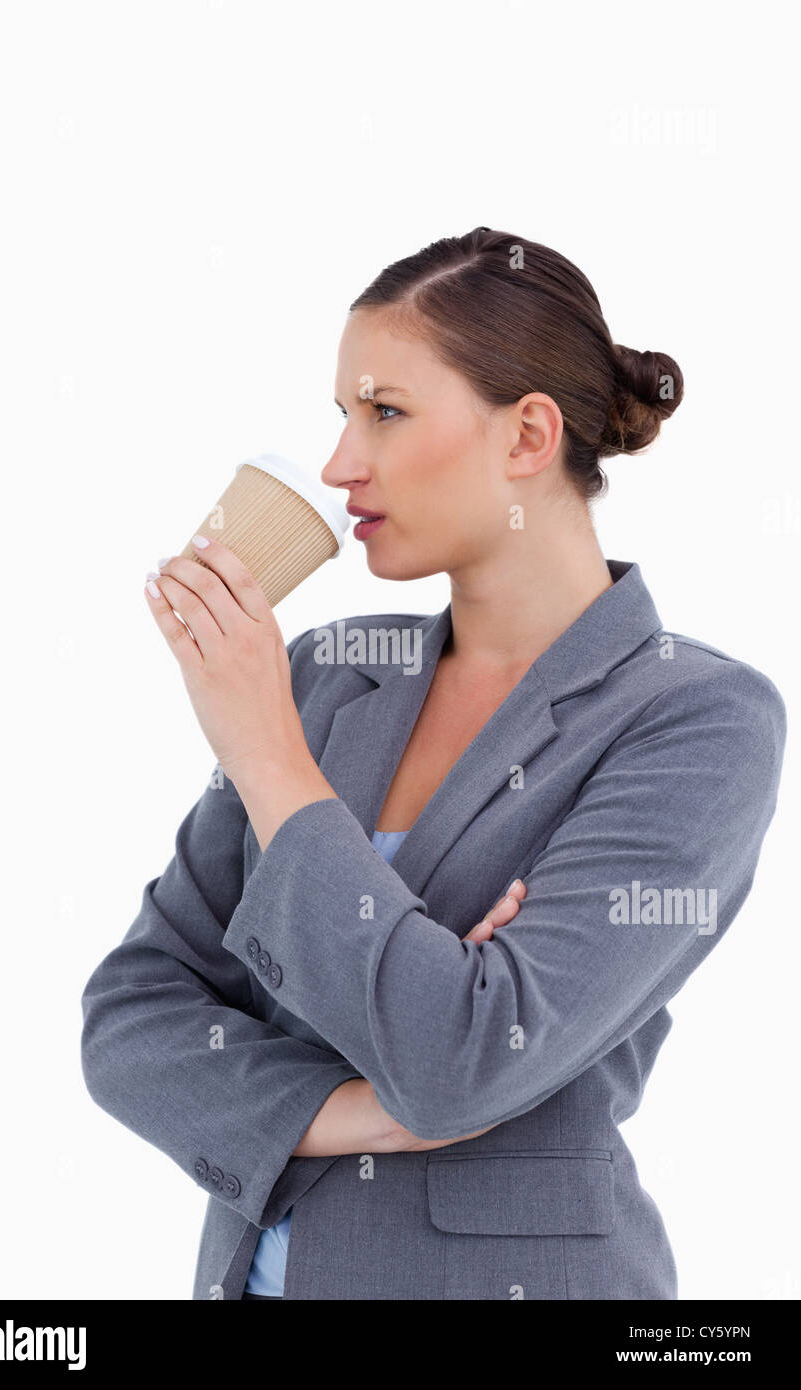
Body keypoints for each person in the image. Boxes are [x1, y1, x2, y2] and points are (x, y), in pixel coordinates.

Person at [81, 227, 786, 1300]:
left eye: (385, 412)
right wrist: (356, 1111)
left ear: (528, 436)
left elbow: (463, 1057)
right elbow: (132, 1014)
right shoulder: (326, 675)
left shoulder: (695, 718)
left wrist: (270, 759)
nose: (336, 465)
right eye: (341, 415)